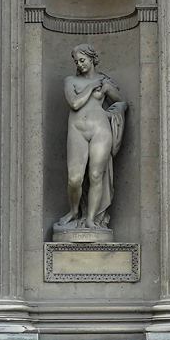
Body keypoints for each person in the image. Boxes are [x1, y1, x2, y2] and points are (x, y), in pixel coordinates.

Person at [56, 44, 127, 230]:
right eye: (76, 61)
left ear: (92, 59)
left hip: (100, 130)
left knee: (96, 175)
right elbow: (75, 103)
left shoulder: (104, 82)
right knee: (75, 179)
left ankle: (90, 218)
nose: (79, 64)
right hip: (77, 130)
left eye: (82, 60)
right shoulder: (70, 80)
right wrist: (91, 86)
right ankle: (73, 211)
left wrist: (113, 112)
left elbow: (121, 102)